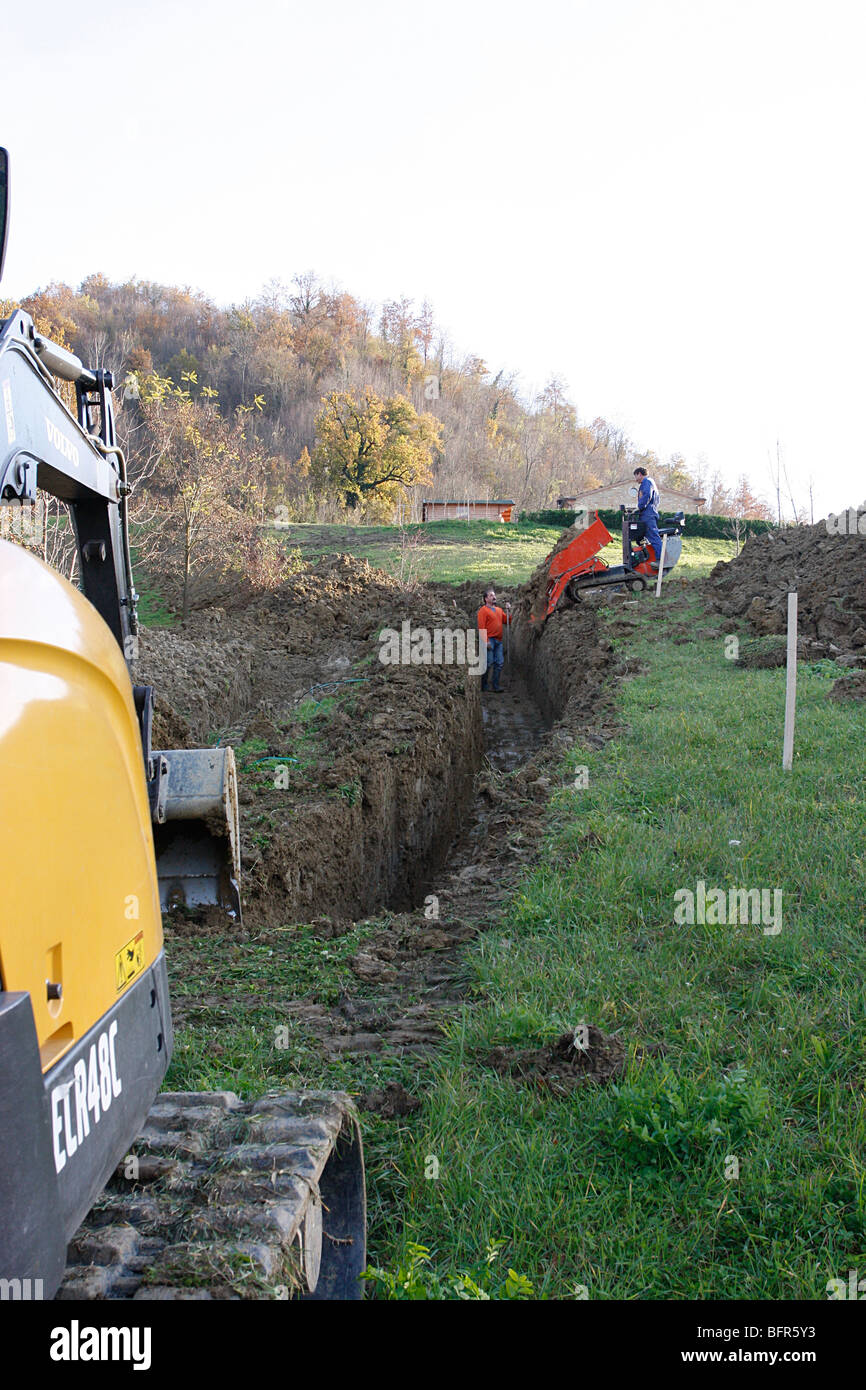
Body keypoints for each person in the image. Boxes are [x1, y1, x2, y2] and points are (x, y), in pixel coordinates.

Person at [477, 587, 511, 692]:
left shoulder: (499, 610)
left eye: (494, 595)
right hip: (489, 640)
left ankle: (496, 686)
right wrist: (486, 641)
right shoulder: (483, 611)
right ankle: (484, 685)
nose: (494, 597)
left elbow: (507, 620)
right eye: (491, 595)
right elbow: (481, 627)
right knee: (488, 663)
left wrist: (509, 610)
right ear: (486, 599)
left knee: (499, 663)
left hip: (498, 641)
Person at [633, 466, 664, 571]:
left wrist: (639, 507)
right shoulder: (650, 483)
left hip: (648, 514)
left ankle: (661, 561)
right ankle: (646, 557)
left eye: (635, 476)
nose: (635, 479)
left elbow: (646, 496)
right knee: (641, 537)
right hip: (648, 513)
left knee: (653, 537)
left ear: (639, 474)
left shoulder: (647, 482)